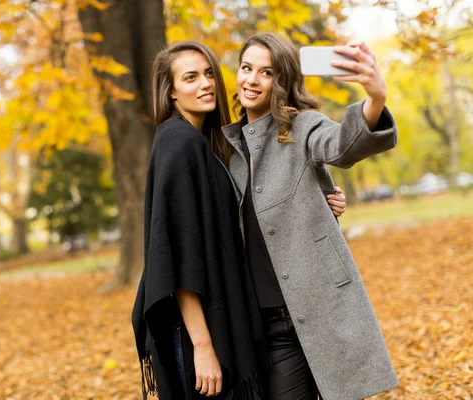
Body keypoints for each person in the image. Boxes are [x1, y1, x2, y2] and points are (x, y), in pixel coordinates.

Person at [131, 40, 346, 400]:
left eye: (209, 73)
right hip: (199, 336)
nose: (205, 84)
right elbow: (181, 258)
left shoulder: (208, 145)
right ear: (171, 93)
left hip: (229, 320)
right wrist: (202, 348)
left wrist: (316, 201)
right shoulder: (178, 143)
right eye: (190, 78)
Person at [221, 33, 399, 400]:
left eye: (266, 72)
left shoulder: (301, 128)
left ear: (281, 81)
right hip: (266, 327)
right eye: (246, 68)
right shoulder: (225, 147)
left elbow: (343, 145)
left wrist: (375, 97)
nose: (252, 80)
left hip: (323, 309)